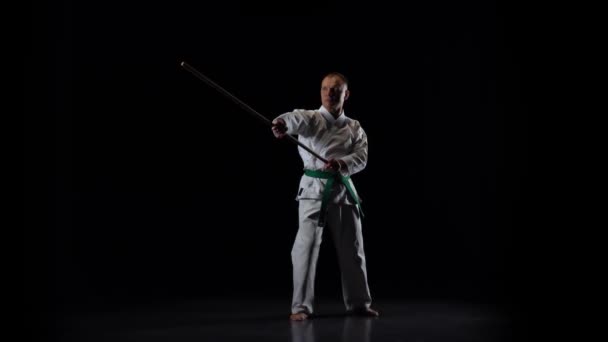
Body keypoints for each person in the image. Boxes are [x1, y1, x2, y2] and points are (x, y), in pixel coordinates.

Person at [272, 72, 379, 321]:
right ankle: (300, 307)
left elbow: (362, 157)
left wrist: (342, 163)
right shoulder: (310, 118)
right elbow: (293, 119)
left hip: (342, 190)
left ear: (346, 94)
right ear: (321, 91)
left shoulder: (354, 127)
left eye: (336, 89)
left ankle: (359, 304)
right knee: (305, 249)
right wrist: (281, 123)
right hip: (313, 190)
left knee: (353, 249)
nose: (330, 93)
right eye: (325, 88)